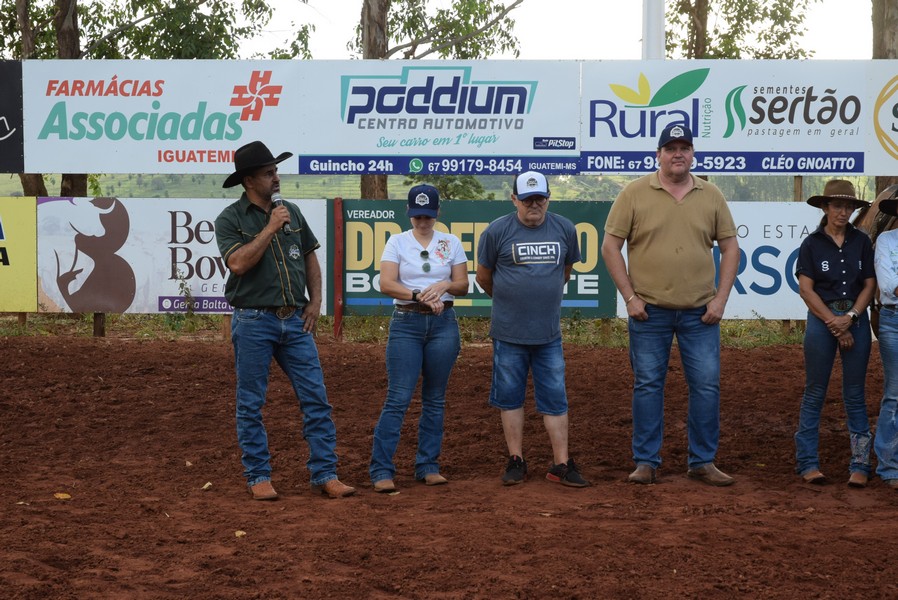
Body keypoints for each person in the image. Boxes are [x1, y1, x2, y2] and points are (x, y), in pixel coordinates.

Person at [214, 140, 355, 500]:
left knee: (317, 399)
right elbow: (238, 264)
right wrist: (270, 229)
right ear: (248, 180)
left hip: (295, 320)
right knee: (251, 402)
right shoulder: (231, 218)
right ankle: (258, 475)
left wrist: (316, 301)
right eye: (268, 173)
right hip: (252, 320)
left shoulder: (290, 210)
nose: (276, 178)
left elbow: (309, 256)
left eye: (276, 171)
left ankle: (325, 473)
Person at [601, 124, 739, 487]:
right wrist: (629, 297)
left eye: (685, 147)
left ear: (693, 154)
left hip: (701, 312)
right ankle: (646, 461)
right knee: (648, 385)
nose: (678, 153)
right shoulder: (633, 193)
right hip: (650, 311)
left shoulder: (711, 195)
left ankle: (703, 462)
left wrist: (721, 298)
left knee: (706, 386)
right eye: (671, 147)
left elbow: (730, 248)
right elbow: (610, 246)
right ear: (658, 154)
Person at [476, 171, 589, 488]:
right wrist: (512, 301)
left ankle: (561, 464)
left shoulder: (565, 229)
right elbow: (484, 277)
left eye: (539, 197)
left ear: (548, 198)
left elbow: (565, 271)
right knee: (510, 398)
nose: (534, 204)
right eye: (527, 199)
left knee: (556, 399)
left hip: (548, 334)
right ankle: (516, 459)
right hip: (508, 333)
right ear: (514, 200)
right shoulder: (496, 231)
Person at [369, 184, 469, 493]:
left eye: (427, 216)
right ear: (409, 214)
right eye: (417, 216)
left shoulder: (451, 242)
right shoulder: (397, 242)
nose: (422, 222)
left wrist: (443, 285)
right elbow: (386, 283)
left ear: (438, 213)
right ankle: (382, 469)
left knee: (435, 399)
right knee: (398, 398)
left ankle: (428, 465)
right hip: (407, 321)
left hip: (442, 323)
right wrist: (418, 294)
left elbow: (463, 284)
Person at [794, 180, 875, 487]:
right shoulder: (812, 244)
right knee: (815, 391)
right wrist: (834, 322)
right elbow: (806, 288)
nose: (844, 212)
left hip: (853, 317)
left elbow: (869, 284)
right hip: (823, 319)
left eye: (849, 207)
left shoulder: (861, 242)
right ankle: (807, 462)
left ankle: (860, 464)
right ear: (825, 208)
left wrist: (851, 316)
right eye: (838, 206)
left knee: (855, 394)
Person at [874, 192, 898, 490]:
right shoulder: (886, 241)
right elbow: (889, 286)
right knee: (894, 393)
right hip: (894, 317)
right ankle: (889, 464)